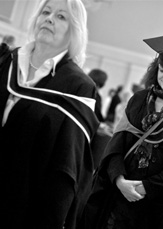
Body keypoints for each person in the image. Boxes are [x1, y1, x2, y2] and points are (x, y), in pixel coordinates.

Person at [92, 31, 163, 229]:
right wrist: (119, 179)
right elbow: (117, 144)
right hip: (119, 198)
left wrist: (144, 188)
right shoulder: (139, 99)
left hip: (155, 207)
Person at [0, 0, 100, 228]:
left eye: (61, 16)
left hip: (25, 203)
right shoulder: (6, 62)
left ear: (74, 30)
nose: (49, 18)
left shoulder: (78, 86)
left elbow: (65, 166)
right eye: (45, 12)